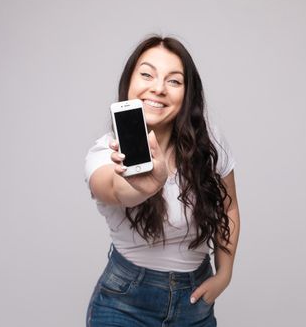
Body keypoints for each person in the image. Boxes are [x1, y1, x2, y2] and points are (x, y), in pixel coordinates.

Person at [84, 36, 240, 327]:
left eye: (174, 81)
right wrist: (142, 186)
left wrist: (224, 274)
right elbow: (112, 190)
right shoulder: (105, 153)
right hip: (124, 304)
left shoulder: (209, 145)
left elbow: (228, 209)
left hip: (195, 304)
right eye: (146, 74)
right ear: (129, 82)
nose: (157, 88)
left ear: (188, 93)